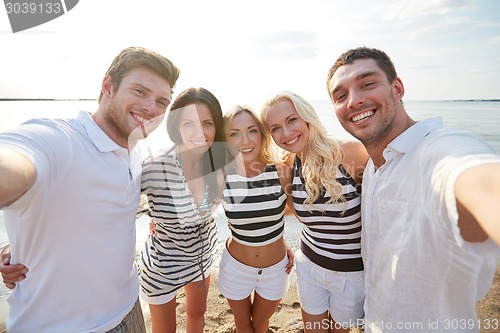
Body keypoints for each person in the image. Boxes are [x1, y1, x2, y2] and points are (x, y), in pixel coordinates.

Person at [0, 46, 180, 333]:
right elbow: (14, 164)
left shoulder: (136, 153)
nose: (151, 108)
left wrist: (19, 245)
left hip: (129, 310)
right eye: (140, 91)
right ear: (108, 86)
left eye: (162, 101)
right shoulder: (59, 141)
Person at [326, 46, 500, 333]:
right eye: (340, 95)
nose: (354, 101)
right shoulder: (372, 168)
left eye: (367, 84)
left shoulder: (438, 151)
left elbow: (473, 176)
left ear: (397, 87)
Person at [261, 91, 369, 333]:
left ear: (307, 117)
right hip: (309, 265)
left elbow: (385, 209)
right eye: (275, 128)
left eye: (292, 120)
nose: (286, 133)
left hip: (352, 275)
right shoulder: (289, 163)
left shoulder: (350, 153)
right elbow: (294, 212)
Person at [138, 87, 226, 333]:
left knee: (197, 315)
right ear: (176, 126)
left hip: (201, 257)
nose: (199, 133)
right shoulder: (155, 167)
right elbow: (118, 211)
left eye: (207, 123)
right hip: (163, 264)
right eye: (189, 124)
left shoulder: (219, 163)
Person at [218, 105, 294, 333]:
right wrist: (157, 220)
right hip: (236, 268)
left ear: (262, 135)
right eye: (234, 133)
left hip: (276, 269)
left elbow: (298, 212)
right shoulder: (221, 177)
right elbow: (198, 212)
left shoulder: (281, 172)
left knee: (260, 324)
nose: (244, 140)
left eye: (252, 130)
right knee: (242, 324)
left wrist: (279, 238)